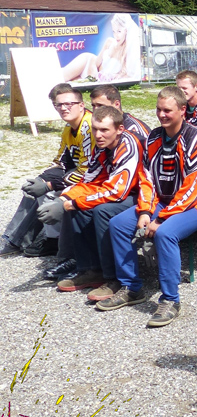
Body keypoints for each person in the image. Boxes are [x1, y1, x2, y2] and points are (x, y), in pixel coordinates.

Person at [101, 86, 197, 327]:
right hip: (165, 201)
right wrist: (146, 211)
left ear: (182, 110)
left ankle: (170, 300)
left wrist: (160, 219)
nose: (161, 114)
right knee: (118, 224)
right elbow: (146, 177)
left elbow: (194, 188)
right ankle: (131, 287)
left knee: (165, 233)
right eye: (158, 109)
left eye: (167, 110)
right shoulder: (154, 137)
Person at [53, 106, 143, 302]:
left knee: (102, 211)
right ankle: (91, 269)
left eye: (104, 130)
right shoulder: (102, 145)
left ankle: (113, 277)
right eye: (95, 129)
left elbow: (118, 191)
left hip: (144, 196)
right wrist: (65, 199)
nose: (98, 135)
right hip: (121, 192)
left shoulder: (129, 145)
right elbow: (90, 180)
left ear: (119, 129)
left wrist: (77, 202)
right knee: (79, 208)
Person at [1, 84, 93, 258]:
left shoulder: (89, 127)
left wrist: (50, 185)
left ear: (81, 105)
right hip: (78, 172)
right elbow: (60, 160)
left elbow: (88, 170)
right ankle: (15, 239)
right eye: (58, 105)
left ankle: (47, 240)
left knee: (47, 192)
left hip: (95, 179)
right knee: (34, 187)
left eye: (69, 104)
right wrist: (42, 179)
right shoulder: (68, 128)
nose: (63, 108)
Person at [61, 14, 141, 83]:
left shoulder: (127, 51)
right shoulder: (109, 42)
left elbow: (128, 74)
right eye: (114, 31)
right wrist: (94, 75)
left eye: (119, 31)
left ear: (126, 31)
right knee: (61, 77)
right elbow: (96, 63)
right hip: (89, 64)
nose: (116, 35)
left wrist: (108, 77)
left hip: (96, 79)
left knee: (67, 84)